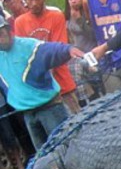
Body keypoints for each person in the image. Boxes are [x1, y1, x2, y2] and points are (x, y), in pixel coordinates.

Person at [0, 15, 84, 149]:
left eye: (1, 34)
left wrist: (69, 50)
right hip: (27, 113)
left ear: (9, 30)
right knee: (44, 156)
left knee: (65, 148)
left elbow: (50, 49)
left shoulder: (28, 46)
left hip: (50, 108)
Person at [15, 0, 80, 114]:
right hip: (39, 90)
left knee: (77, 120)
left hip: (62, 83)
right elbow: (22, 54)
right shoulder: (20, 22)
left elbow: (59, 49)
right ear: (25, 0)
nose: (34, 3)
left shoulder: (56, 16)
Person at [64, 0, 100, 107]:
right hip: (77, 56)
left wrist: (80, 20)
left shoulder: (89, 13)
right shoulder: (67, 18)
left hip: (92, 52)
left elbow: (93, 34)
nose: (73, 1)